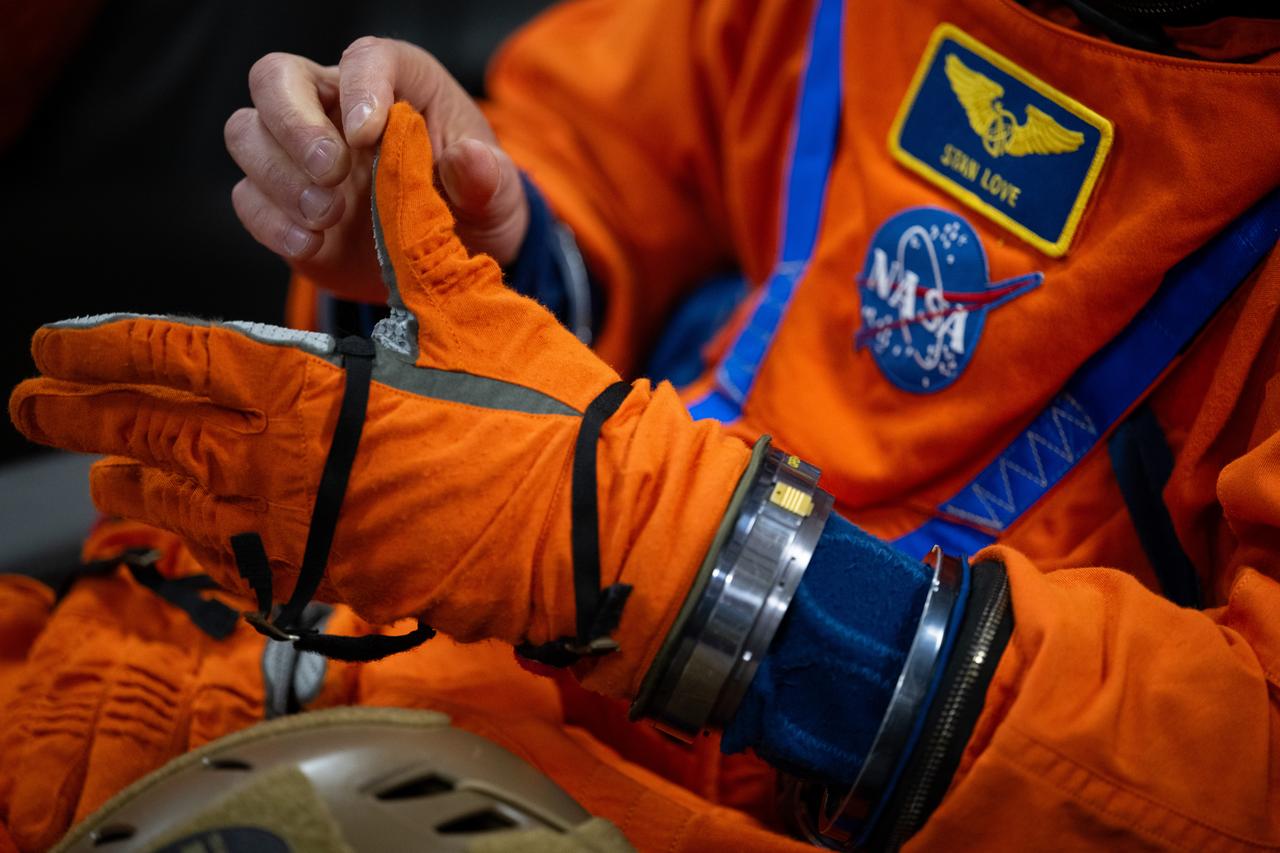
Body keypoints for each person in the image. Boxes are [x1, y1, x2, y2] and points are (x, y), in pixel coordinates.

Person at [5, 0, 1280, 850]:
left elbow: (1239, 772)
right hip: (509, 646)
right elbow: (614, 129)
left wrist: (682, 556)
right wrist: (482, 237)